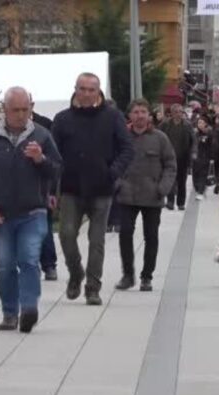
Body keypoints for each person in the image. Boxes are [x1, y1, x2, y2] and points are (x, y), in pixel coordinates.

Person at [0, 86, 62, 333]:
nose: (21, 115)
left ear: (31, 108)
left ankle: (29, 308)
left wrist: (40, 160)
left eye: (26, 109)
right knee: (5, 265)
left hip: (33, 212)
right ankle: (10, 313)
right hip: (1, 214)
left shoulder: (43, 136)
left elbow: (57, 170)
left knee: (29, 259)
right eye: (16, 110)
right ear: (5, 109)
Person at [52, 73, 134, 306]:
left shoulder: (112, 117)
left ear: (99, 92)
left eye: (92, 89)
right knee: (66, 234)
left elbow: (127, 149)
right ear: (75, 89)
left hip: (102, 188)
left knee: (96, 240)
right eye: (82, 89)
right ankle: (76, 272)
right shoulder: (62, 119)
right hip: (71, 187)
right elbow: (53, 155)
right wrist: (51, 185)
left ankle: (93, 287)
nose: (87, 94)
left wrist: (112, 172)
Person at [115, 99, 177, 293]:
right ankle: (127, 274)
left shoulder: (160, 138)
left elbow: (170, 164)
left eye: (143, 112)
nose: (140, 115)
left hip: (152, 195)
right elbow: (111, 162)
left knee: (151, 237)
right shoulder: (121, 137)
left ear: (149, 115)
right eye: (136, 112)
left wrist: (163, 188)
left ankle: (147, 277)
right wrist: (116, 184)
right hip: (126, 194)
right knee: (125, 233)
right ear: (129, 115)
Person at [30, 98, 59, 281]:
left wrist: (53, 191)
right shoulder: (4, 128)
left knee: (44, 226)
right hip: (16, 188)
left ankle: (49, 265)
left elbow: (55, 161)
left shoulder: (45, 126)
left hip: (42, 185)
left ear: (32, 105)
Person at [160, 104, 196, 210]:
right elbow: (159, 136)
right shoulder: (165, 124)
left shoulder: (187, 125)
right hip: (169, 157)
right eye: (176, 112)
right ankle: (170, 202)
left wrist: (193, 152)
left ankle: (181, 203)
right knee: (170, 180)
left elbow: (193, 140)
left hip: (183, 157)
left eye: (180, 111)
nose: (178, 114)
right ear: (171, 113)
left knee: (182, 181)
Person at [192, 116, 213, 200]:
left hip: (205, 158)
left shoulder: (209, 134)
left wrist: (212, 158)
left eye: (201, 122)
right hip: (196, 158)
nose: (199, 124)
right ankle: (198, 189)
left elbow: (212, 146)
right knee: (195, 175)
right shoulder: (195, 134)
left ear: (206, 124)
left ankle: (201, 191)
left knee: (202, 175)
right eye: (198, 123)